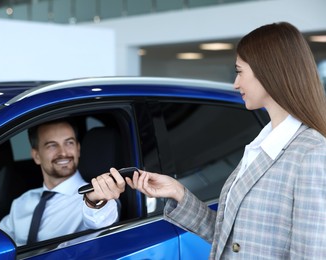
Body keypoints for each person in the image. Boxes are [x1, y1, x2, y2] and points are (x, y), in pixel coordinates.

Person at [124, 22, 326, 259]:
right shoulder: (261, 145)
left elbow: (312, 254)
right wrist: (178, 192)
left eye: (239, 71)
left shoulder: (311, 154)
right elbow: (231, 240)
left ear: (268, 71)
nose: (235, 83)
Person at [0, 119, 125, 246]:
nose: (63, 152)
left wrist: (94, 202)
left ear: (78, 149)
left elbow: (102, 221)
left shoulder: (97, 197)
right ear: (36, 156)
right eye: (52, 145)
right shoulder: (22, 202)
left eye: (69, 143)